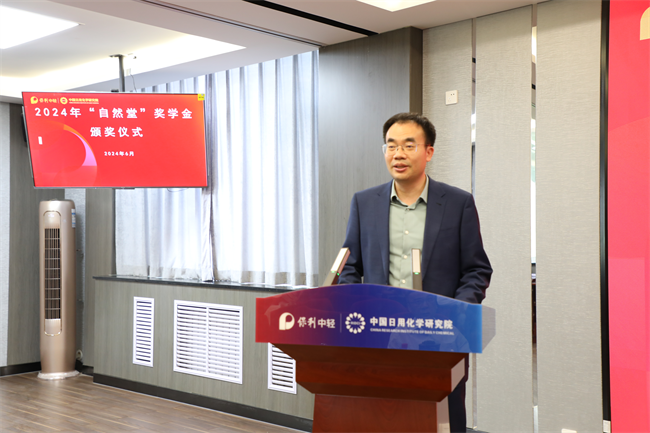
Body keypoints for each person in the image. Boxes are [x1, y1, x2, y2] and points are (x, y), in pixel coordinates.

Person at [338, 112, 492, 433]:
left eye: (409, 146)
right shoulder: (364, 203)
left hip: (440, 337)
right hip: (379, 335)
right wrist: (357, 308)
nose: (398, 154)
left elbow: (477, 269)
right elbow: (350, 266)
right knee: (382, 418)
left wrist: (455, 313)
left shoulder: (458, 203)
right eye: (391, 146)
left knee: (444, 420)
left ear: (428, 152)